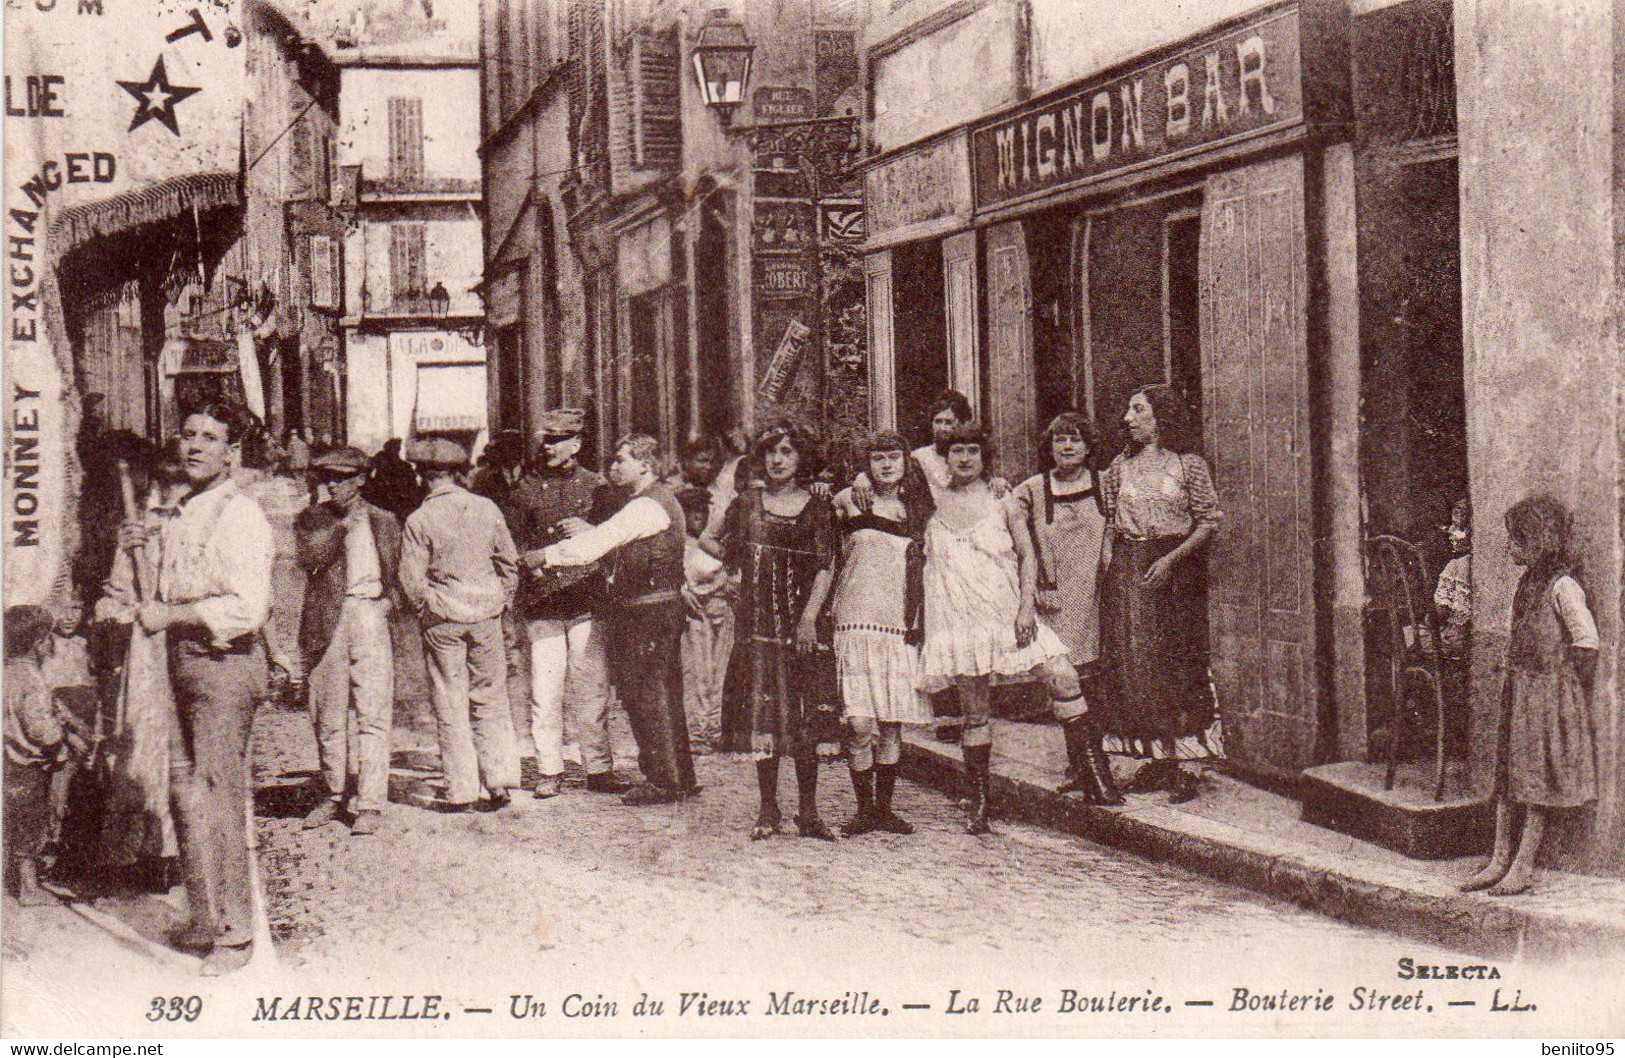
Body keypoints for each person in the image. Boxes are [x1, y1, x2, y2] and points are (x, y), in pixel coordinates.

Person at [128, 400, 274, 975]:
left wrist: (173, 614)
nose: (194, 447)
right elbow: (164, 581)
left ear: (232, 451)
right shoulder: (182, 509)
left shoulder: (242, 517)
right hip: (180, 663)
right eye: (188, 435)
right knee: (187, 797)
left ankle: (236, 936)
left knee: (215, 799)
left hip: (224, 666)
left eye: (210, 438)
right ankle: (205, 918)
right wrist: (142, 543)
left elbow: (248, 608)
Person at [919, 424, 1122, 835]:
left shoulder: (1004, 500)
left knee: (1063, 678)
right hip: (959, 620)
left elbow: (1028, 557)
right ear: (945, 458)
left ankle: (1094, 778)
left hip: (1007, 611)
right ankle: (978, 801)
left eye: (972, 451)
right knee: (975, 713)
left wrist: (1027, 607)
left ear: (983, 456)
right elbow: (871, 482)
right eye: (956, 451)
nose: (964, 458)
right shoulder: (930, 503)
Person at [524, 434, 699, 806]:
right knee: (664, 693)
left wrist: (544, 557)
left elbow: (595, 545)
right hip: (657, 610)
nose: (613, 467)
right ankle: (680, 775)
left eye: (621, 460)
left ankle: (662, 780)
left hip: (646, 612)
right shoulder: (655, 501)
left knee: (644, 695)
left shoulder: (648, 505)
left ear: (645, 465)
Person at [701, 423, 838, 840]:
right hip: (757, 627)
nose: (778, 460)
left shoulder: (818, 507)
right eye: (772, 452)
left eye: (788, 452)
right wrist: (733, 569)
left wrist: (810, 618)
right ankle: (768, 809)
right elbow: (708, 538)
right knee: (764, 715)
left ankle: (809, 813)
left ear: (801, 459)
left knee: (804, 720)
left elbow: (826, 566)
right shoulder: (746, 503)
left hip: (801, 627)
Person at [1460, 495, 1599, 896]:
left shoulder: (1563, 587)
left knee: (1536, 783)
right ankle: (1498, 859)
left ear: (1537, 540)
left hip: (1547, 696)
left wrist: (1562, 690)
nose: (1509, 548)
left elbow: (1586, 641)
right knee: (1508, 778)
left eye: (1516, 541)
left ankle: (1523, 865)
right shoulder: (1527, 583)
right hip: (1521, 692)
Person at [1098, 384, 1224, 804]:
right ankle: (1157, 760)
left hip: (1176, 571)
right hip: (1131, 572)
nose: (1128, 419)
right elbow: (1111, 524)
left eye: (1139, 410)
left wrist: (1170, 559)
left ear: (1162, 417)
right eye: (1128, 411)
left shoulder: (1188, 465)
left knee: (1179, 661)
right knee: (1137, 665)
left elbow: (1208, 521)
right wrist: (1111, 573)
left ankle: (1188, 763)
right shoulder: (1119, 467)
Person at [504, 410, 627, 798]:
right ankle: (548, 769)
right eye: (545, 440)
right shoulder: (524, 490)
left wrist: (591, 532)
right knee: (546, 688)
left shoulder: (599, 488)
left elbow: (616, 537)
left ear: (576, 443)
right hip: (543, 600)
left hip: (588, 597)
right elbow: (511, 543)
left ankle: (599, 767)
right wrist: (529, 563)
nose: (548, 447)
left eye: (557, 440)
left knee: (591, 687)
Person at [400, 438, 522, 812]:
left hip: (443, 618)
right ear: (458, 473)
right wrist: (502, 601)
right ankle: (499, 781)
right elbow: (509, 563)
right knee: (491, 697)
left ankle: (462, 791)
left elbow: (410, 580)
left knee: (450, 700)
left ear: (424, 477)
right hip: (486, 612)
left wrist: (428, 608)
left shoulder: (419, 520)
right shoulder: (486, 508)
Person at [828, 431, 934, 837]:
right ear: (866, 464)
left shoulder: (915, 510)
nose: (886, 465)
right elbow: (826, 555)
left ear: (906, 462)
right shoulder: (847, 501)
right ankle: (863, 807)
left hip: (896, 625)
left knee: (891, 723)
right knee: (858, 723)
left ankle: (882, 810)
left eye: (893, 458)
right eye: (877, 459)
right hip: (853, 620)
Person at [295, 447, 404, 837]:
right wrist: (341, 528)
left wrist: (389, 602)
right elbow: (310, 559)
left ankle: (371, 802)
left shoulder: (384, 520)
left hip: (369, 612)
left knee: (373, 711)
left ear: (360, 480)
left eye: (341, 478)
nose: (332, 486)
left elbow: (399, 570)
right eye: (326, 478)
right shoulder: (311, 520)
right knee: (328, 713)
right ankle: (332, 793)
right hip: (328, 619)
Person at [1011, 412, 1120, 793]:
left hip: (1099, 593)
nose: (1068, 446)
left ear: (1089, 446)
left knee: (1094, 679)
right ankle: (1083, 768)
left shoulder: (1106, 484)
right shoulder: (1032, 489)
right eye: (1060, 440)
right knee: (1065, 679)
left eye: (1075, 439)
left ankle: (1097, 764)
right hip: (1056, 598)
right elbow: (1003, 526)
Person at [6, 605, 86, 906]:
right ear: (40, 643)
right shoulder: (33, 681)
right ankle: (29, 889)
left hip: (9, 760)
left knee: (12, 822)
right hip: (31, 765)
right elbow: (41, 728)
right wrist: (62, 741)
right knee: (31, 825)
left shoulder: (8, 673)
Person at [678, 487, 734, 756]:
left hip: (722, 606)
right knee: (697, 671)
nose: (698, 517)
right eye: (692, 511)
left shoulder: (714, 540)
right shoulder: (678, 543)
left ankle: (716, 728)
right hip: (694, 611)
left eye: (702, 510)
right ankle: (697, 733)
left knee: (721, 672)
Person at [1434, 497, 1473, 761]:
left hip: (1456, 639)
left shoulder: (1456, 566)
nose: (1450, 533)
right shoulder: (1474, 564)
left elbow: (1442, 610)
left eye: (1457, 527)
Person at [364, 438, 426, 521]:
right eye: (392, 448)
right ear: (387, 449)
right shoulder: (381, 460)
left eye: (397, 448)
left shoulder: (405, 466)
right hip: (384, 498)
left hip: (401, 500)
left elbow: (412, 485)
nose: (395, 451)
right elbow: (368, 470)